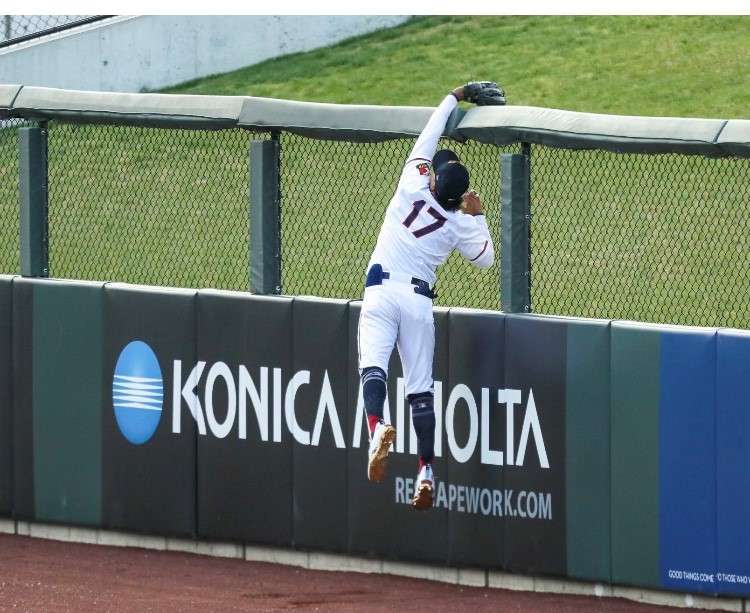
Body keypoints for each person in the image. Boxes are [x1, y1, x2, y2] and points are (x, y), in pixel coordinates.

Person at [358, 84, 495, 510]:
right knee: (420, 392)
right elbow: (487, 260)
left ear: (433, 180)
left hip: (381, 292)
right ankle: (425, 471)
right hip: (418, 302)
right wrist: (479, 214)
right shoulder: (459, 223)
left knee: (373, 370)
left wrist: (458, 94)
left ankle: (377, 425)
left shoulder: (411, 185)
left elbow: (429, 135)